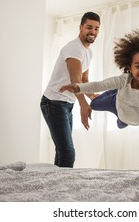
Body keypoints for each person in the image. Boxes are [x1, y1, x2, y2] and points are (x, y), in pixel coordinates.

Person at [60, 30, 139, 137]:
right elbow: (100, 85)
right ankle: (115, 93)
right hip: (116, 104)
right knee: (94, 105)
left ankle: (116, 92)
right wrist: (77, 87)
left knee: (121, 124)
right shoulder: (124, 79)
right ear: (130, 67)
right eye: (137, 66)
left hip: (127, 119)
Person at [40, 12, 100, 167]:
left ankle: (55, 185)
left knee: (62, 151)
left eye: (96, 28)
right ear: (80, 27)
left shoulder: (88, 52)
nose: (93, 31)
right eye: (89, 27)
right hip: (53, 102)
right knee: (67, 152)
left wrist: (93, 96)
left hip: (66, 104)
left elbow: (84, 80)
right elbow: (76, 81)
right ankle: (61, 188)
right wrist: (83, 105)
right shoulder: (74, 48)